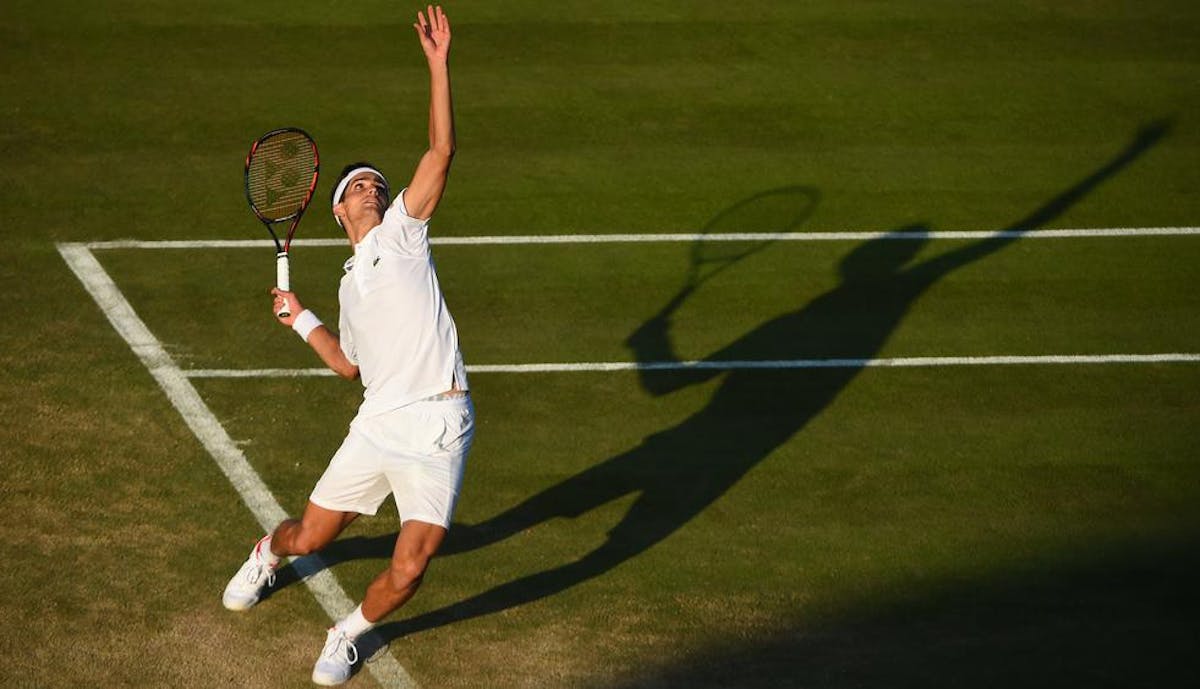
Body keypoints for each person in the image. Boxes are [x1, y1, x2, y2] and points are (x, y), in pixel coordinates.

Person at [222, 6, 474, 686]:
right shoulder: (345, 289)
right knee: (308, 534)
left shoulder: (402, 232)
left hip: (441, 422)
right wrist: (303, 317)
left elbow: (441, 152)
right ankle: (267, 554)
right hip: (378, 424)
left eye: (377, 185)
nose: (371, 189)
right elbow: (349, 363)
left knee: (413, 564)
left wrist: (438, 64)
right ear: (336, 211)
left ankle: (350, 630)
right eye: (357, 186)